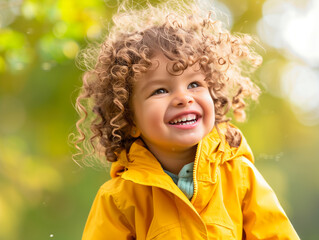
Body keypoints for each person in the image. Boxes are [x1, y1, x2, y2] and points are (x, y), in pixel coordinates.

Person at [74, 1, 300, 239]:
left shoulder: (239, 177)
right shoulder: (120, 199)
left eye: (194, 84)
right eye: (160, 90)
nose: (183, 98)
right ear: (129, 121)